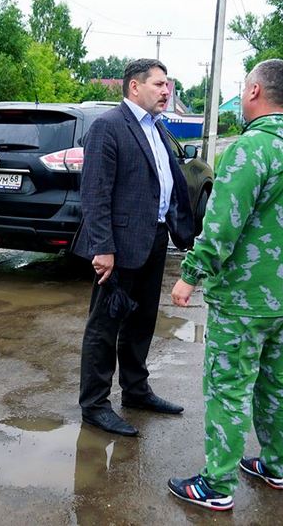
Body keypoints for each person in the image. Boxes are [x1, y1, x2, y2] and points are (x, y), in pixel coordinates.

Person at [167, 59, 283, 511]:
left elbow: (221, 227)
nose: (242, 98)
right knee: (279, 382)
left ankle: (216, 486)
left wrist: (190, 275)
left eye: (243, 90)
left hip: (244, 298)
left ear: (256, 91)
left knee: (229, 386)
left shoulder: (250, 150)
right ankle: (277, 467)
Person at [72, 58, 194, 437]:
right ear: (134, 87)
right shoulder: (109, 128)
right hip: (120, 247)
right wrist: (103, 247)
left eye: (168, 84)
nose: (166, 91)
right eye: (159, 84)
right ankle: (94, 404)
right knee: (104, 327)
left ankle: (136, 391)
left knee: (141, 323)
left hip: (153, 240)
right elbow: (95, 192)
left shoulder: (155, 129)